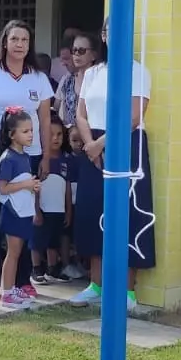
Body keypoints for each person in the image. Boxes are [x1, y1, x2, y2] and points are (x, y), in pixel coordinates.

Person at [70, 18, 156, 311]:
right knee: (94, 213)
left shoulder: (137, 71)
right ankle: (96, 284)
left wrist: (100, 144)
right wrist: (90, 146)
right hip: (92, 144)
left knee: (127, 214)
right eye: (108, 31)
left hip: (124, 144)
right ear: (103, 36)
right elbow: (80, 114)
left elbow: (134, 116)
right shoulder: (92, 73)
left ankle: (127, 292)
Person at [0, 21, 53, 298]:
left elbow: (44, 119)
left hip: (29, 157)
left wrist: (46, 156)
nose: (19, 44)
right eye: (14, 39)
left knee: (24, 218)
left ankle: (21, 280)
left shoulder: (38, 78)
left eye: (25, 40)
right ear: (4, 41)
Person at [0, 108, 41, 310]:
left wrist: (33, 187)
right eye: (25, 131)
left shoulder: (25, 157)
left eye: (31, 130)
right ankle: (7, 293)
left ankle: (12, 288)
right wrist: (26, 185)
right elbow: (2, 188)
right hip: (13, 212)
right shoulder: (8, 158)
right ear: (11, 134)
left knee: (19, 252)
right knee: (12, 253)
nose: (30, 135)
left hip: (24, 211)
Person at [33, 116, 72, 285]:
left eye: (59, 135)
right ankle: (36, 269)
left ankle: (52, 268)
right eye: (50, 134)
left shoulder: (65, 160)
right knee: (37, 240)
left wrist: (68, 210)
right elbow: (34, 186)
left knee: (53, 241)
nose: (55, 138)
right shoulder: (40, 161)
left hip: (59, 209)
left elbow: (68, 188)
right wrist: (36, 210)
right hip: (43, 209)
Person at [55, 32, 95, 127]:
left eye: (81, 50)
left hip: (94, 135)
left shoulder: (100, 80)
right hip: (69, 136)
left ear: (94, 55)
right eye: (74, 50)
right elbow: (58, 108)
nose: (76, 54)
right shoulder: (67, 80)